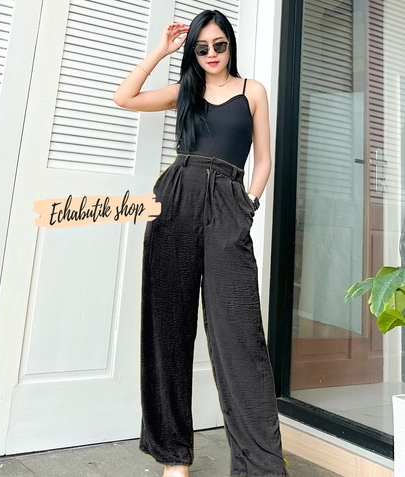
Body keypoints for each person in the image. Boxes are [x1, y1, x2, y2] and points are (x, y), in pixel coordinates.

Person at [114, 9, 287, 477]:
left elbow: (264, 160)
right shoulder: (185, 91)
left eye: (219, 45)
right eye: (202, 47)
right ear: (193, 51)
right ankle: (173, 457)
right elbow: (124, 97)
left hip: (228, 201)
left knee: (240, 334)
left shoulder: (252, 91)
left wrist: (248, 205)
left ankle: (260, 467)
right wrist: (161, 50)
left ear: (231, 44)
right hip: (176, 198)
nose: (211, 54)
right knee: (167, 328)